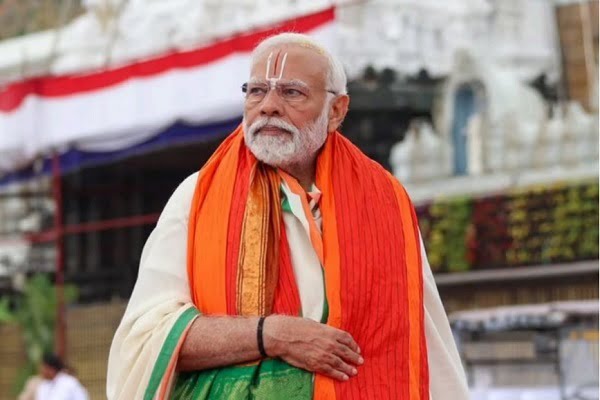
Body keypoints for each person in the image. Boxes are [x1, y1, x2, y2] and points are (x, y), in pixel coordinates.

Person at [107, 33, 470, 400]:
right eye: (256, 91)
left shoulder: (384, 201)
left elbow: (425, 340)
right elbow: (147, 341)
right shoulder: (196, 197)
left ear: (336, 111)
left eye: (292, 92)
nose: (269, 106)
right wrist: (271, 335)